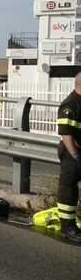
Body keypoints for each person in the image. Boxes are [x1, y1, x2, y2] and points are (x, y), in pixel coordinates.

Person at [55, 71, 81, 243]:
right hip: (72, 152)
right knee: (68, 188)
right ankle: (67, 227)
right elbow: (66, 134)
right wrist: (75, 155)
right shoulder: (70, 105)